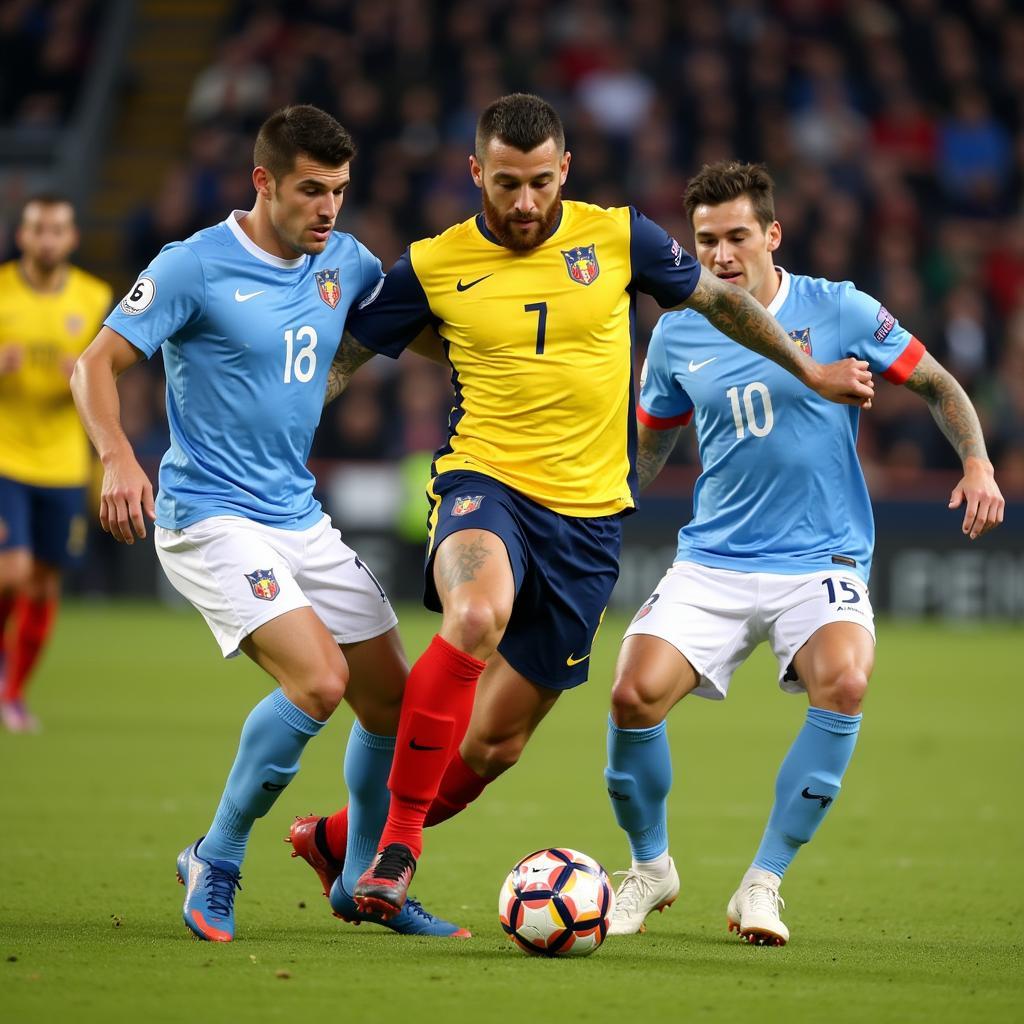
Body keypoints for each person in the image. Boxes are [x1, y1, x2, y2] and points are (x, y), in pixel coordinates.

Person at [290, 94, 875, 921]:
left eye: (538, 182)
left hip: (587, 523)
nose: (524, 203)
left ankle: (337, 839)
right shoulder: (435, 264)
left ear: (564, 169)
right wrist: (265, 432)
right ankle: (397, 850)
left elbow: (723, 303)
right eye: (504, 184)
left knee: (494, 744)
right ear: (475, 174)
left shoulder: (620, 237)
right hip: (482, 484)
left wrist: (810, 369)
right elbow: (338, 361)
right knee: (474, 617)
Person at [70, 105, 467, 942]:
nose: (329, 209)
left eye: (341, 192)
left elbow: (418, 332)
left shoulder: (346, 263)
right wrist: (115, 454)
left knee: (393, 706)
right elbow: (94, 362)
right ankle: (215, 855)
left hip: (297, 515)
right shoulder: (193, 267)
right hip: (209, 516)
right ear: (264, 183)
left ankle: (357, 872)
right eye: (312, 191)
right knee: (319, 682)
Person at [602, 161, 1005, 945]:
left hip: (819, 560)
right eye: (706, 240)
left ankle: (764, 882)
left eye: (737, 237)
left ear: (772, 235)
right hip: (713, 559)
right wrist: (601, 505)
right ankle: (650, 870)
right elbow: (650, 449)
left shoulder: (840, 308)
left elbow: (939, 385)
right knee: (630, 696)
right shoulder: (678, 328)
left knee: (846, 680)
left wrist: (978, 461)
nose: (720, 255)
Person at [0, 195, 112, 733]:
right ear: (22, 237)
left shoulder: (94, 297)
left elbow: (111, 375)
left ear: (71, 239)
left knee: (43, 584)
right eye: (38, 229)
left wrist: (86, 376)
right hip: (6, 455)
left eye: (58, 230)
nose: (48, 239)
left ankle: (14, 693)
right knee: (12, 572)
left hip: (65, 463)